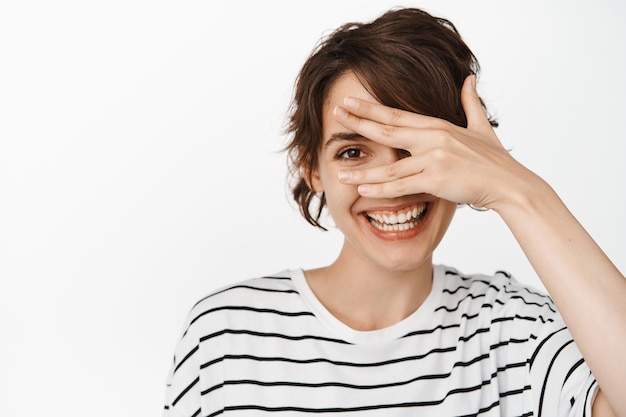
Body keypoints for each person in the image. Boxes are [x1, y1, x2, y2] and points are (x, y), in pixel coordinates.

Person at [162, 7, 625, 417]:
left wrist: (516, 189)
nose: (391, 187)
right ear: (313, 169)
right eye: (352, 153)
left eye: (413, 148)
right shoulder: (224, 337)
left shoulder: (514, 332)